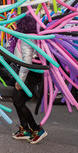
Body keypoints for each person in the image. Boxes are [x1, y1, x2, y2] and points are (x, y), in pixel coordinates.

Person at [9, 14, 47, 144]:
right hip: (29, 73)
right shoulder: (32, 36)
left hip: (29, 74)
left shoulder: (27, 39)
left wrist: (20, 81)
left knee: (19, 102)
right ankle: (25, 129)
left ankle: (36, 129)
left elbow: (26, 62)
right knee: (16, 101)